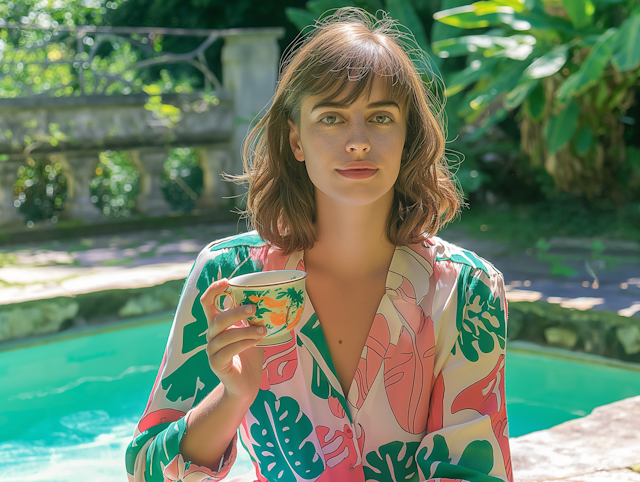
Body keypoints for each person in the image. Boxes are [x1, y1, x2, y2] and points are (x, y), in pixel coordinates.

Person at [125, 7, 512, 482]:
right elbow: (146, 472)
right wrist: (232, 397)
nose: (357, 141)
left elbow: (473, 472)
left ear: (407, 133)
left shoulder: (466, 290)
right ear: (296, 140)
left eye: (381, 117)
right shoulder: (229, 278)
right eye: (331, 117)